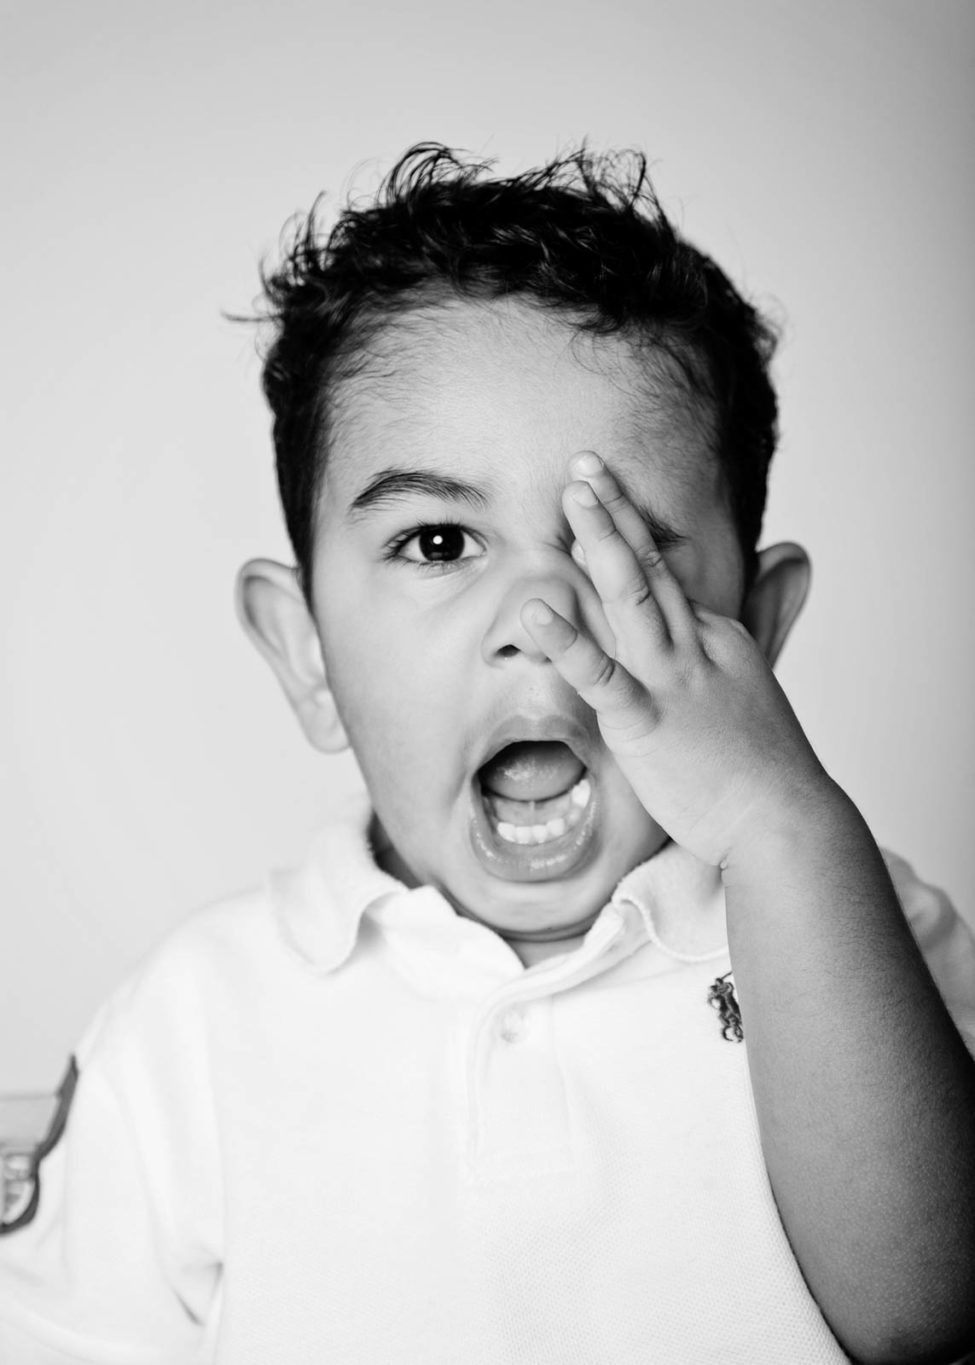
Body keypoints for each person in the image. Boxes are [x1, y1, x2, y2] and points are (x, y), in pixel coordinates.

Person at [1, 144, 974, 1365]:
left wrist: (784, 828)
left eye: (621, 548)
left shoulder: (856, 923)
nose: (540, 619)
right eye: (439, 541)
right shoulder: (199, 1024)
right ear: (306, 654)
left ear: (760, 636)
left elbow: (926, 1313)